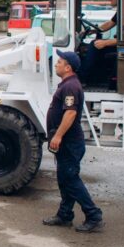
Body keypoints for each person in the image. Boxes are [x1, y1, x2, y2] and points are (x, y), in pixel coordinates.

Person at [42, 50, 104, 233]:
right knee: (65, 179)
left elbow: (70, 113)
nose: (56, 64)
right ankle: (64, 215)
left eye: (59, 62)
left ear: (68, 67)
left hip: (69, 142)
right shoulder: (68, 84)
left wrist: (58, 136)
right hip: (67, 143)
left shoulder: (70, 87)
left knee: (71, 179)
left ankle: (93, 215)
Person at [78, 0, 118, 85]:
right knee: (94, 44)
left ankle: (82, 78)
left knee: (94, 45)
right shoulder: (122, 11)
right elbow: (109, 24)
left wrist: (105, 43)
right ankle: (94, 79)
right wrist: (93, 30)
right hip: (121, 46)